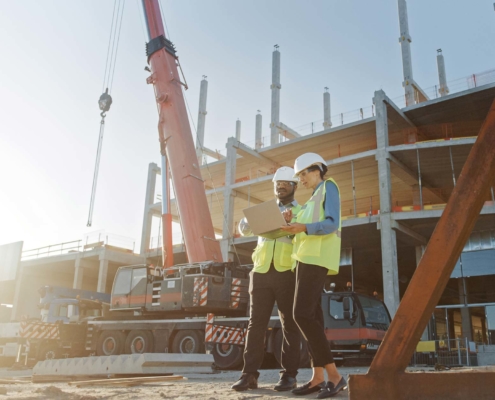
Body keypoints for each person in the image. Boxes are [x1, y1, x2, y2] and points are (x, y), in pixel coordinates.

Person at [280, 153, 347, 399]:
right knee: (313, 318)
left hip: (316, 259)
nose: (301, 179)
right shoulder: (311, 199)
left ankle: (336, 377)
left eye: (303, 174)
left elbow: (331, 223)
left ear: (316, 169)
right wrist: (292, 220)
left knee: (301, 314)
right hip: (304, 260)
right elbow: (304, 223)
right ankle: (318, 378)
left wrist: (303, 227)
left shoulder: (329, 187)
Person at [231, 166, 303, 392]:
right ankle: (248, 375)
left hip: (286, 272)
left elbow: (301, 235)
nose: (280, 187)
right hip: (261, 272)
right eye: (277, 184)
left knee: (289, 325)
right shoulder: (266, 210)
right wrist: (251, 221)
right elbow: (243, 229)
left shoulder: (301, 210)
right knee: (256, 325)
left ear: (294, 186)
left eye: (285, 184)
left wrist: (288, 223)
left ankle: (289, 376)